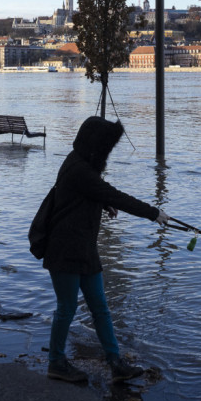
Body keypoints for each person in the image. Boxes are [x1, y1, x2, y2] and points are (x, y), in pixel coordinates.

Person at [42, 116, 169, 384]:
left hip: (84, 248)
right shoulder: (80, 170)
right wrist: (153, 213)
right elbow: (113, 194)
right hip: (64, 248)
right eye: (104, 147)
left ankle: (115, 362)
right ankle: (56, 363)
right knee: (66, 308)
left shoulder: (79, 163)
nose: (106, 153)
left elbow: (81, 195)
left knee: (100, 307)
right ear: (93, 145)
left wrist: (100, 204)